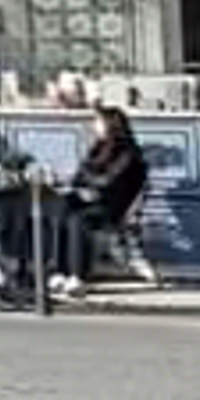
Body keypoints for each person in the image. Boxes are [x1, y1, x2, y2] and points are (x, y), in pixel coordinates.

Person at [66, 94, 153, 286]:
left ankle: (77, 274)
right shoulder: (98, 148)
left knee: (77, 220)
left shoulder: (128, 152)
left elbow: (109, 181)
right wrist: (85, 181)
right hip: (92, 199)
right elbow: (78, 176)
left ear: (111, 125)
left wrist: (88, 180)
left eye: (98, 122)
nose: (94, 127)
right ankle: (58, 269)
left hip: (114, 206)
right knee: (58, 211)